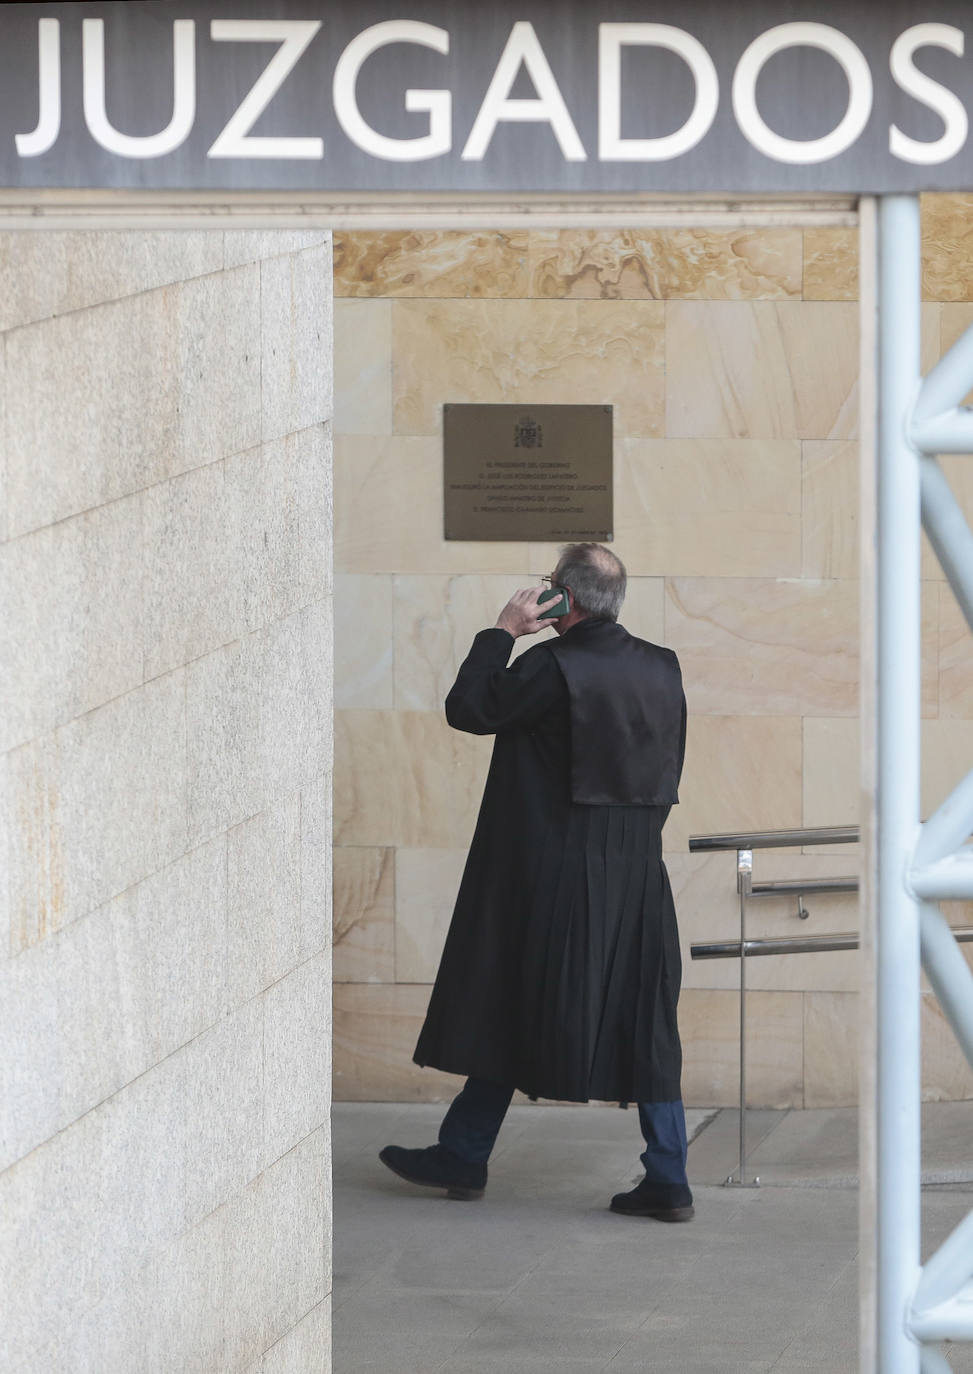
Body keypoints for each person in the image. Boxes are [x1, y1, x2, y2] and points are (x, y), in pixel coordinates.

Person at [379, 543, 692, 1221]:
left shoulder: (551, 667)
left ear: (564, 600)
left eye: (549, 585)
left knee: (506, 998)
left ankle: (462, 1154)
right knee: (646, 1021)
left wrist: (501, 630)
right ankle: (667, 1177)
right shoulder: (662, 668)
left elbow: (469, 708)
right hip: (637, 874)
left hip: (553, 874)